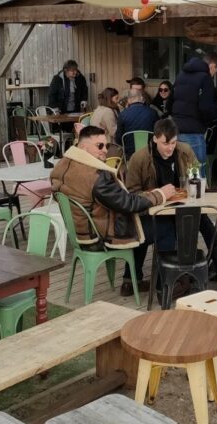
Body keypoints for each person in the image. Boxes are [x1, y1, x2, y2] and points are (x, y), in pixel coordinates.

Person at [50, 126, 174, 297]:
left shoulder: (63, 165)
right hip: (100, 236)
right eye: (99, 146)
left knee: (142, 223)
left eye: (106, 146)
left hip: (81, 233)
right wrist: (160, 195)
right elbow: (128, 204)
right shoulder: (95, 176)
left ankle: (131, 282)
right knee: (165, 225)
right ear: (83, 148)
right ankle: (164, 287)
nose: (105, 151)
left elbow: (119, 200)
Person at [126, 118, 217, 294]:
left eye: (173, 142)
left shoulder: (184, 151)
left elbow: (197, 177)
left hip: (181, 205)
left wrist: (195, 186)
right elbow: (131, 195)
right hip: (150, 212)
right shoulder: (139, 158)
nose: (170, 148)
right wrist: (159, 194)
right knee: (167, 229)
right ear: (155, 139)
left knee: (203, 220)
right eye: (165, 143)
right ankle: (164, 280)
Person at [172, 52, 217, 174]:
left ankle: (184, 193)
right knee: (197, 170)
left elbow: (170, 102)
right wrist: (207, 122)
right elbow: (206, 107)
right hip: (194, 130)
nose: (214, 74)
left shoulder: (180, 76)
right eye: (216, 70)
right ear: (212, 66)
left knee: (182, 169)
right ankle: (198, 193)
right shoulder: (205, 78)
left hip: (177, 129)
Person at [115, 90, 159, 158]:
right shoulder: (153, 113)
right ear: (142, 98)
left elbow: (118, 139)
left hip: (130, 154)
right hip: (149, 152)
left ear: (128, 100)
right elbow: (158, 133)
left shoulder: (122, 115)